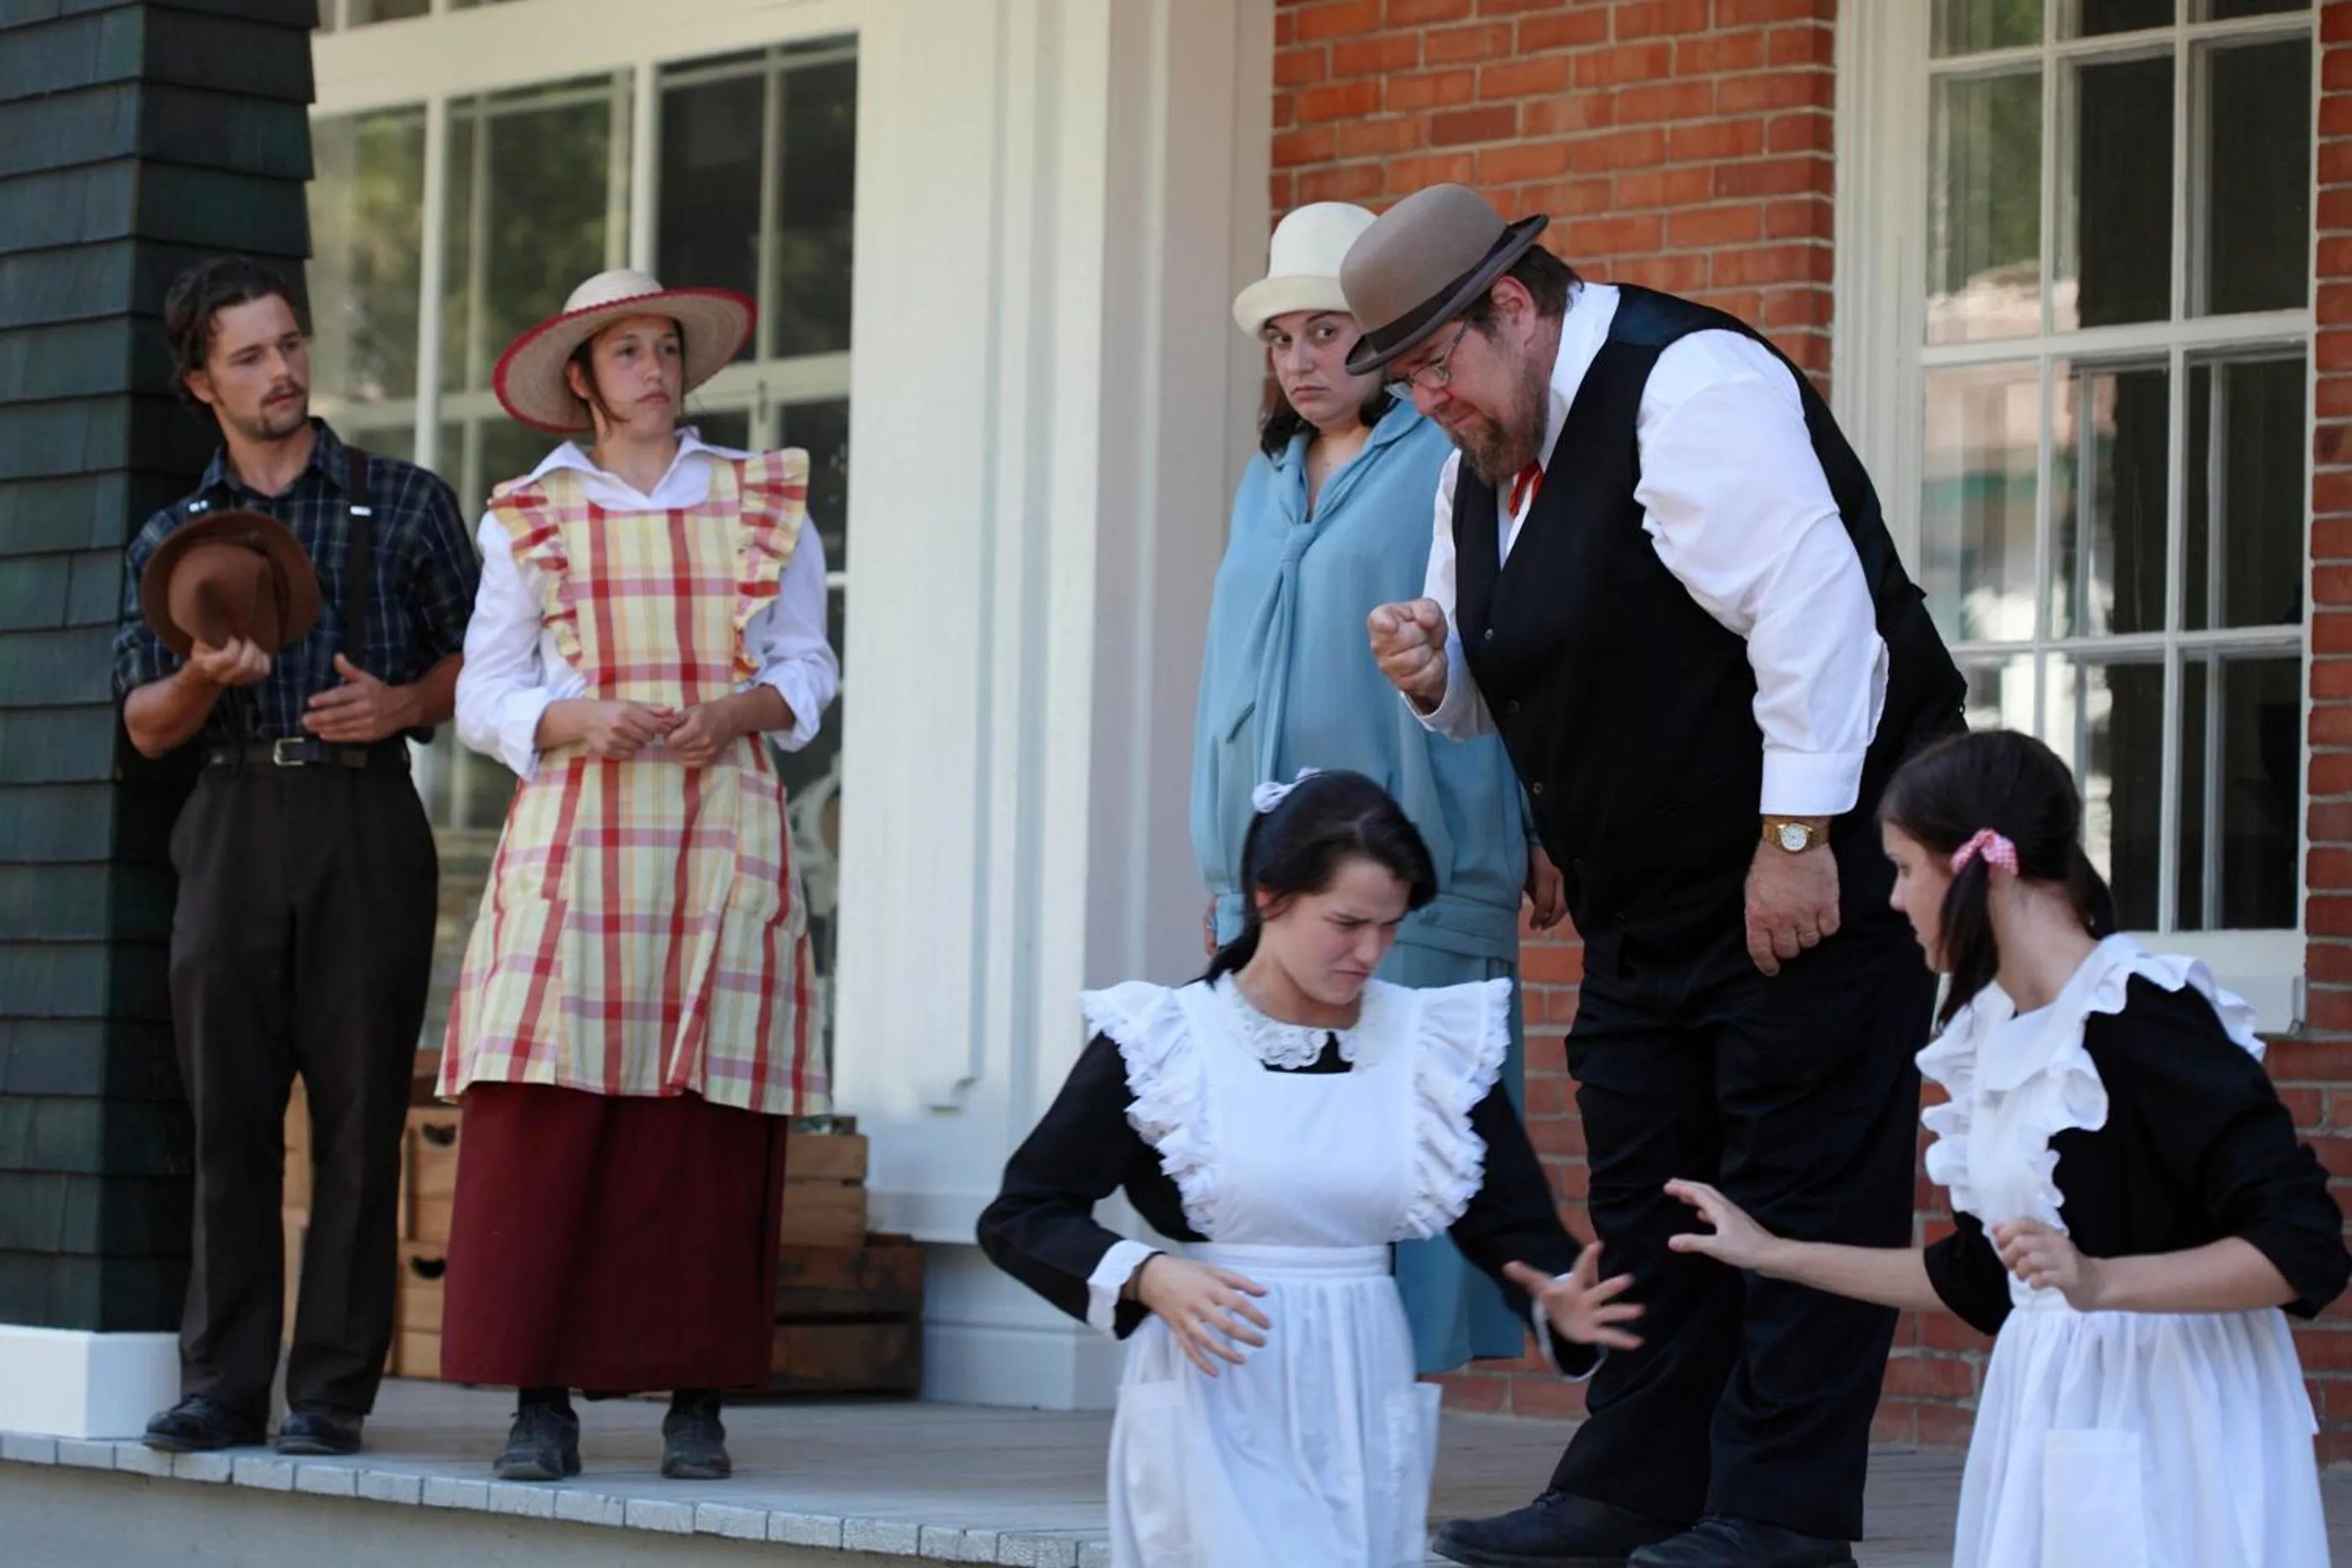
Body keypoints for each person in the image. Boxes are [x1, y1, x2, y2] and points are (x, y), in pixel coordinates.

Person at [1349, 184, 1968, 1568]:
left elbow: (1823, 621)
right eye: (1405, 382)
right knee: (1645, 1189)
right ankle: (1636, 1483)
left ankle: (1781, 1515)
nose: (1428, 402)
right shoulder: (1479, 461)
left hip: (1799, 864)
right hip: (1645, 899)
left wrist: (1801, 839)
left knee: (1801, 1183)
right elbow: (1526, 653)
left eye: (1435, 366)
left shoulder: (1690, 387)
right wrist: (1437, 670)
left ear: (1511, 307)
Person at [1667, 727, 2349, 1568]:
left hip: (2178, 1428)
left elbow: (2302, 1246)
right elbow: (1984, 1279)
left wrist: (2104, 1281)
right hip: (2046, 1417)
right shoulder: (1992, 1032)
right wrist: (1772, 1253)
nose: (1893, 899)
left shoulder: (2144, 1013)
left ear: (1977, 867)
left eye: (1906, 868)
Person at [978, 769, 1641, 1568]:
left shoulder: (1431, 1047)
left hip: (1361, 1383)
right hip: (1214, 1384)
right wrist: (1149, 1275)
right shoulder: (1165, 1042)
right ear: (1269, 897)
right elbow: (1023, 1213)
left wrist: (1559, 1302)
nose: (1371, 952)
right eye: (1347, 922)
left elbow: (1514, 1226)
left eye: (1390, 926)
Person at [438, 269, 838, 1482]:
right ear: (582, 378)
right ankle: (539, 1399)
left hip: (720, 827)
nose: (655, 368)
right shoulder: (527, 516)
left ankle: (696, 1400)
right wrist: (572, 717)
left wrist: (738, 708)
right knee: (552, 1107)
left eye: (668, 347)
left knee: (701, 1117)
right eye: (627, 352)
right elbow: (481, 692)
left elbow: (811, 663)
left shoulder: (764, 498)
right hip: (577, 834)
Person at [116, 257, 479, 1457]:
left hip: (366, 820)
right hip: (224, 820)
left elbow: (487, 668)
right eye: (251, 356)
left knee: (363, 1112)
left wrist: (399, 703)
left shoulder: (406, 500)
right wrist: (198, 676)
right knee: (227, 1116)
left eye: (290, 344)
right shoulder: (173, 540)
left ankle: (331, 1392)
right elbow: (141, 723)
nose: (284, 371)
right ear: (200, 382)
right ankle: (222, 1386)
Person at [1194, 201, 1562, 1376]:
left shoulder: (1453, 451)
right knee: (1278, 1155)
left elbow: (1514, 639)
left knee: (1402, 1149)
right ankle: (1297, 1406)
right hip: (1264, 871)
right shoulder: (1268, 478)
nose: (1302, 360)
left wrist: (1545, 811)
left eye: (1329, 329)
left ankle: (1380, 1416)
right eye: (1282, 336)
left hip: (1421, 855)